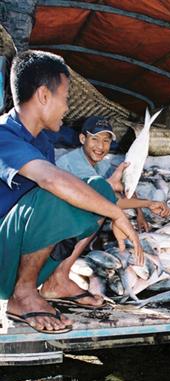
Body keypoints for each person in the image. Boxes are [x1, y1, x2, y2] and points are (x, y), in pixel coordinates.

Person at [0, 50, 143, 334]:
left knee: (99, 188)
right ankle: (23, 295)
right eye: (65, 98)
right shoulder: (4, 135)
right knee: (56, 190)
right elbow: (52, 182)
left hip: (15, 260)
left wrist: (110, 201)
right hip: (3, 263)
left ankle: (57, 279)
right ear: (43, 95)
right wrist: (117, 214)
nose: (66, 108)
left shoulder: (42, 142)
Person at [56, 116, 170, 230]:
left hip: (79, 209)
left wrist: (140, 214)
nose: (100, 146)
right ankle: (76, 248)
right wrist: (148, 203)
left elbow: (124, 185)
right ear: (82, 139)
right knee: (104, 209)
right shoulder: (74, 162)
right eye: (94, 139)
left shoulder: (102, 163)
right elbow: (106, 200)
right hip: (60, 218)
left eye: (106, 141)